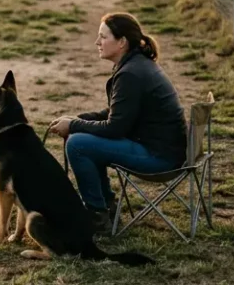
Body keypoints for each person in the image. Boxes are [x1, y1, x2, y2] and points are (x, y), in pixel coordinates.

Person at [49, 13, 187, 232]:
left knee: (78, 144)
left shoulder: (131, 73)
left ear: (122, 42)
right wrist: (79, 119)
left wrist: (73, 126)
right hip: (165, 150)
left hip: (159, 158)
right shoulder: (136, 64)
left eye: (103, 37)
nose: (97, 42)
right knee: (84, 139)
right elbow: (119, 112)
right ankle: (106, 209)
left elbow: (115, 127)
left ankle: (98, 215)